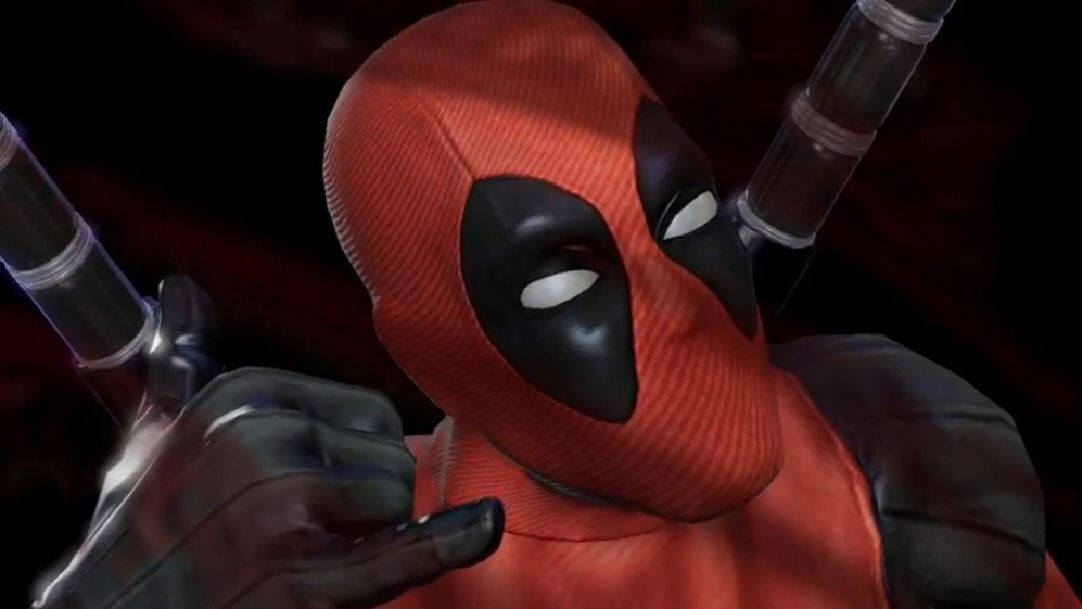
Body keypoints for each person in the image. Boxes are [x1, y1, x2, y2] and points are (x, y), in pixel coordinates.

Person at [34, 2, 1079, 608]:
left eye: (684, 216)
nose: (680, 304)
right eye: (564, 278)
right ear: (433, 353)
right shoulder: (328, 573)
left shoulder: (870, 460)